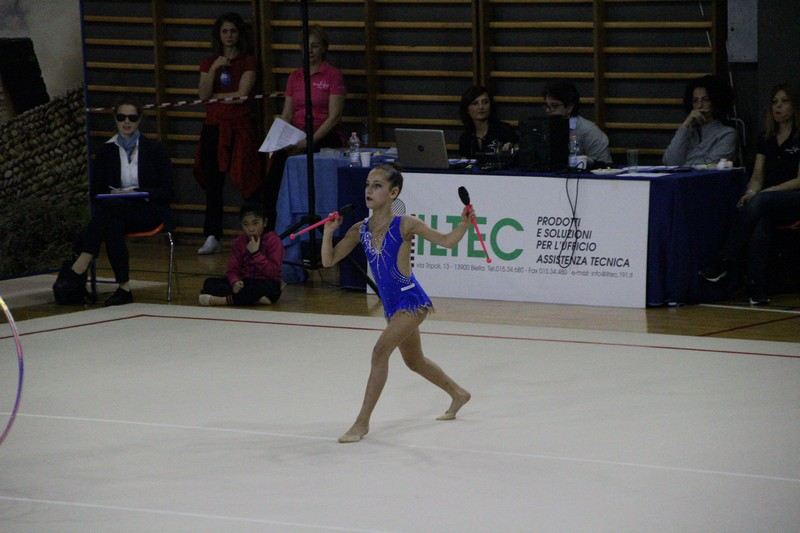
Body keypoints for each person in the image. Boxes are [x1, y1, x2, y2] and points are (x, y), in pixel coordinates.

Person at [321, 164, 472, 443]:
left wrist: (464, 223)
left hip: (411, 301)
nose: (369, 190)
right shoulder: (359, 229)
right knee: (414, 361)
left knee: (380, 352)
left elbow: (447, 241)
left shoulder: (406, 224)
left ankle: (361, 423)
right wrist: (329, 232)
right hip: (392, 307)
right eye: (368, 184)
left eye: (377, 186)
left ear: (393, 192)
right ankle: (458, 394)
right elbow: (329, 260)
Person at [52, 97, 174, 306]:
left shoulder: (154, 149)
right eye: (121, 117)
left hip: (147, 210)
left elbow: (167, 190)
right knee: (113, 221)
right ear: (115, 119)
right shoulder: (105, 151)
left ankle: (83, 261)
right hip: (116, 210)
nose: (127, 122)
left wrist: (139, 191)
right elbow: (96, 191)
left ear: (140, 120)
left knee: (110, 215)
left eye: (132, 118)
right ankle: (123, 288)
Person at [699, 83, 800, 304]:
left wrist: (768, 192)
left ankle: (724, 260)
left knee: (761, 202)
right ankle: (756, 288)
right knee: (760, 218)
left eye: (784, 102)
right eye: (775, 102)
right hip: (769, 200)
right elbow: (757, 174)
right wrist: (752, 190)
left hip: (793, 195)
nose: (778, 107)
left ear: (795, 106)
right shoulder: (766, 137)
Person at [263, 24, 346, 231]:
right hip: (296, 133)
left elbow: (334, 116)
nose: (310, 51)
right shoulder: (295, 76)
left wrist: (308, 141)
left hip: (323, 134)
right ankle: (271, 229)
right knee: (274, 172)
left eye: (315, 46)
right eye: (306, 46)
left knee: (310, 163)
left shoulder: (332, 75)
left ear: (324, 49)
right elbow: (287, 114)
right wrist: (276, 141)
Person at [194, 12, 260, 255]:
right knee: (213, 183)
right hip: (214, 127)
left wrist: (216, 97)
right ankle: (212, 234)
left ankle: (253, 233)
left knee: (247, 179)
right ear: (219, 35)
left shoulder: (249, 61)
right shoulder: (210, 62)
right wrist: (213, 70)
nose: (229, 35)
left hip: (240, 128)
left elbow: (241, 95)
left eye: (233, 31)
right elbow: (203, 96)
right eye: (225, 31)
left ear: (239, 34)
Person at [198, 202, 284, 306]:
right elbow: (232, 269)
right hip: (245, 282)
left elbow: (273, 272)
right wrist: (235, 281)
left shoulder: (273, 241)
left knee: (265, 289)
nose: (251, 229)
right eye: (246, 224)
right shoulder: (239, 242)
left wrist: (256, 254)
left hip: (265, 282)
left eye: (255, 223)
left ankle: (221, 301)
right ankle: (255, 300)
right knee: (209, 283)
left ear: (264, 222)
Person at [663, 75, 738, 166]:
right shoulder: (688, 132)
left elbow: (710, 165)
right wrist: (685, 125)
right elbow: (670, 162)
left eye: (705, 100)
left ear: (716, 101)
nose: (699, 105)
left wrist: (684, 165)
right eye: (695, 101)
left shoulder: (727, 134)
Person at [542, 81, 612, 168]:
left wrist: (584, 161)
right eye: (546, 105)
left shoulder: (589, 131)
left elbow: (606, 166)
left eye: (554, 106)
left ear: (569, 107)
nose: (548, 110)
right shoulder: (542, 129)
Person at [458, 85, 517, 158]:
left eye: (485, 102)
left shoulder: (505, 131)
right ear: (467, 110)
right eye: (475, 103)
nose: (481, 107)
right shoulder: (465, 138)